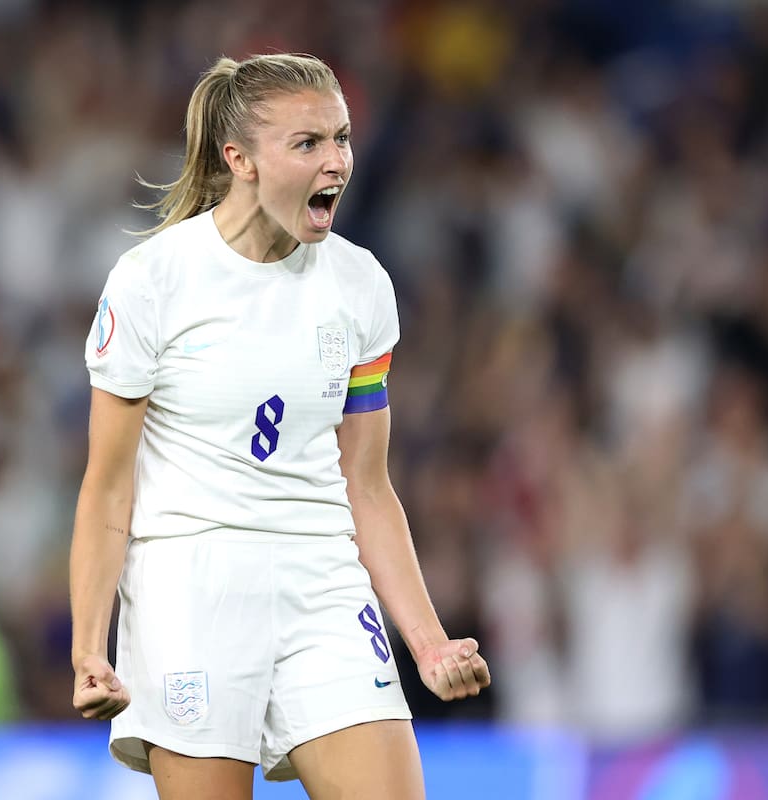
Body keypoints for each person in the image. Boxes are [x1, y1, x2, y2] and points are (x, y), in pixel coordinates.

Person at [69, 53, 490, 800]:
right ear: (241, 161)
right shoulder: (153, 281)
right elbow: (107, 491)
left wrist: (427, 642)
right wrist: (87, 650)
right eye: (307, 144)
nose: (336, 161)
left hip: (322, 580)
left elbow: (367, 484)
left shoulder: (360, 284)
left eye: (342, 137)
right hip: (192, 588)